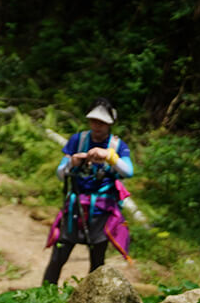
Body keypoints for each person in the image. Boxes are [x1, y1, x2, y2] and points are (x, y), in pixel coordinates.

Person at [42, 97, 134, 285]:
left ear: (110, 123)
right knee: (58, 256)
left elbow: (128, 171)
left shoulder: (116, 146)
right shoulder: (78, 140)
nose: (97, 126)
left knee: (97, 262)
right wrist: (72, 162)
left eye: (102, 123)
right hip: (75, 208)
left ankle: (94, 302)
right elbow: (60, 174)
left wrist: (110, 157)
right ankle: (44, 295)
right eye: (94, 121)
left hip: (102, 211)